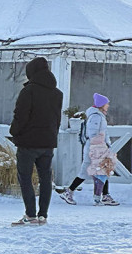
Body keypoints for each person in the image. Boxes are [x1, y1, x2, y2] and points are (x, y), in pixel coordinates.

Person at [9, 57, 63, 226]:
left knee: (25, 177)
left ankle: (30, 214)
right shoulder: (57, 93)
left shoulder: (29, 91)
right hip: (48, 142)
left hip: (28, 142)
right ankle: (43, 215)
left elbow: (21, 116)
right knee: (45, 178)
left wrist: (14, 131)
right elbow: (57, 119)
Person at [60, 93, 120, 206]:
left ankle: (104, 195)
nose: (108, 106)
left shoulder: (99, 115)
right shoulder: (96, 116)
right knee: (90, 170)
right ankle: (70, 191)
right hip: (95, 149)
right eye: (107, 104)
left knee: (104, 169)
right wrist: (101, 147)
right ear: (101, 105)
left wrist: (106, 145)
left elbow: (102, 133)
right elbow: (93, 134)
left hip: (98, 148)